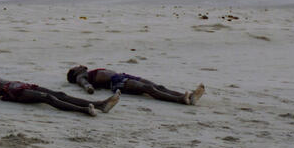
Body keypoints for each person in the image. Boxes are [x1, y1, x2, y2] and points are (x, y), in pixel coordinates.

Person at [0, 70, 118, 116]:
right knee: (48, 98)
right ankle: (85, 109)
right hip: (12, 92)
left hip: (17, 86)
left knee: (58, 94)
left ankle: (99, 105)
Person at [67, 65, 204, 105]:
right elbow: (84, 84)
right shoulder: (81, 76)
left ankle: (189, 97)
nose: (80, 66)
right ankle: (179, 99)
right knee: (148, 89)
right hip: (116, 82)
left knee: (158, 87)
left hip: (123, 76)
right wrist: (89, 88)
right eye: (76, 67)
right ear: (75, 72)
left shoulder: (87, 72)